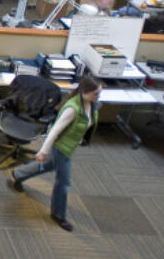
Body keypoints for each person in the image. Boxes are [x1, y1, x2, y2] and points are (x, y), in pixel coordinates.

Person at [9, 75, 103, 232]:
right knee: (64, 183)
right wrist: (43, 151)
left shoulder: (91, 104)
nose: (98, 97)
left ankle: (19, 174)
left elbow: (87, 123)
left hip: (69, 146)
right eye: (96, 93)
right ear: (84, 92)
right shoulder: (72, 109)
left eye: (99, 93)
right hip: (61, 148)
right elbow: (54, 131)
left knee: (48, 165)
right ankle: (58, 214)